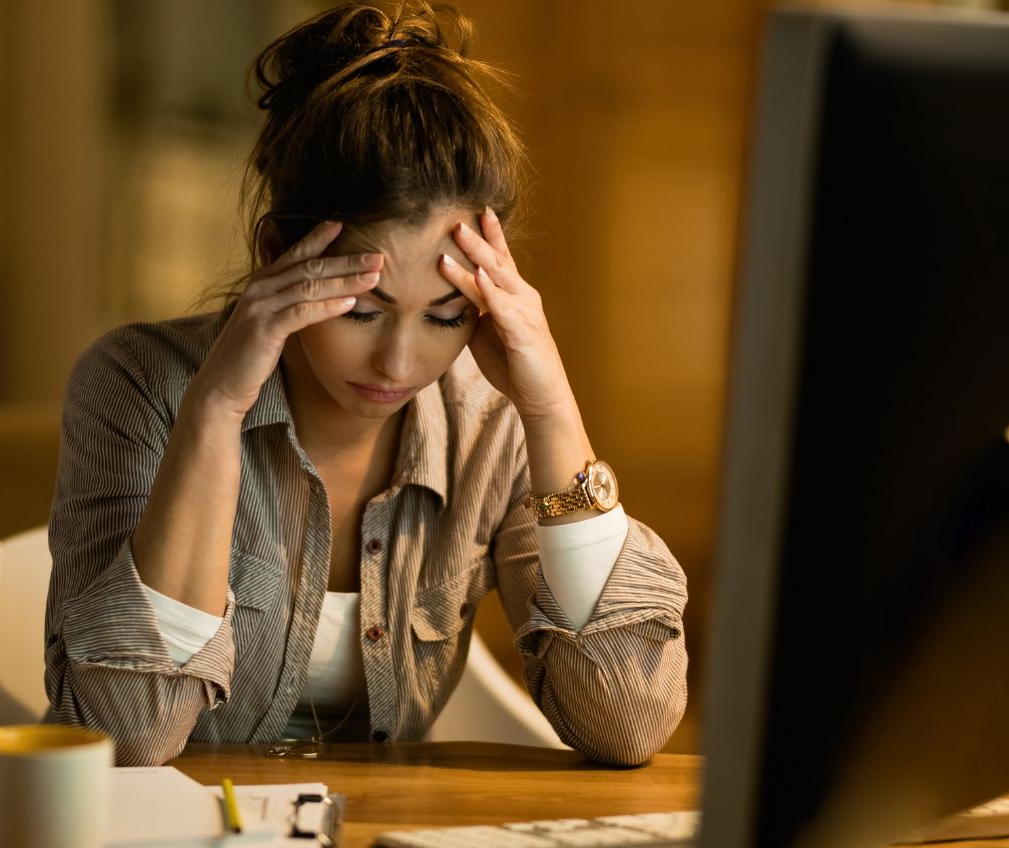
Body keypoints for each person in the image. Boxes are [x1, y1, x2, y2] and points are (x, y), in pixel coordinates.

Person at [44, 1, 688, 767]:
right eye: (361, 309)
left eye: (447, 319)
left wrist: (550, 408)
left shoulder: (489, 425)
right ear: (277, 253)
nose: (399, 365)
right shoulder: (137, 385)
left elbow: (629, 722)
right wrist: (213, 413)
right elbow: (127, 738)